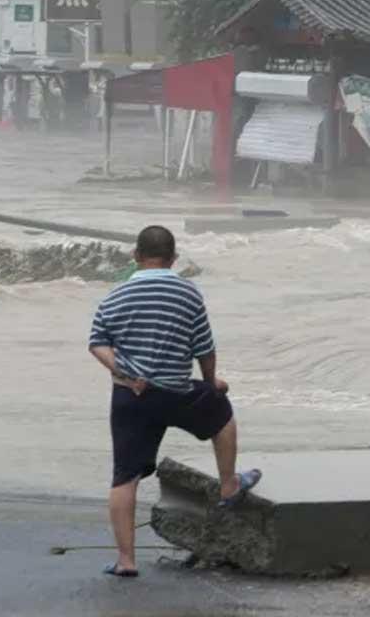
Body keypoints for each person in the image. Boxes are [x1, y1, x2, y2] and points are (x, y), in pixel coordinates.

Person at [88, 225, 261, 578]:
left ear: (136, 256)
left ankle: (126, 561)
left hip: (131, 396)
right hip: (176, 393)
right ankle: (228, 484)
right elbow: (204, 347)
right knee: (222, 414)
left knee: (125, 477)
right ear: (173, 259)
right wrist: (212, 382)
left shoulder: (116, 296)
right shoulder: (188, 293)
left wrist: (120, 369)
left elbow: (96, 342)